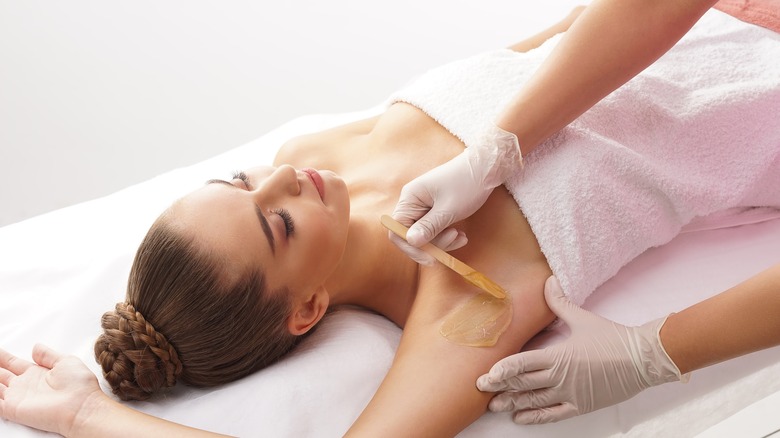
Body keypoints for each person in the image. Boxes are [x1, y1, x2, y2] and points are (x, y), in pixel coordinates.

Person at [1, 4, 779, 438]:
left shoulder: (318, 149)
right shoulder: (469, 303)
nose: (283, 177)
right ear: (307, 311)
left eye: (239, 181)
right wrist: (82, 413)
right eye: (279, 225)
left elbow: (542, 49)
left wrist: (503, 139)